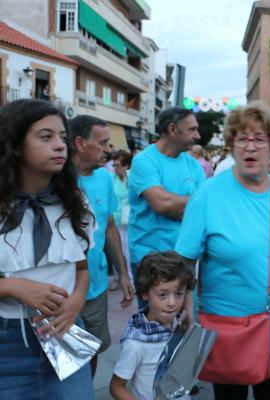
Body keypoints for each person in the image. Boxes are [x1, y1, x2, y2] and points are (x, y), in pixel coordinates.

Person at [175, 100, 270, 400]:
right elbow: (184, 262)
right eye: (242, 138)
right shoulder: (208, 195)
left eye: (259, 139)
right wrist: (187, 312)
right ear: (231, 145)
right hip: (229, 333)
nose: (250, 147)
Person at [0, 99, 94, 398]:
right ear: (15, 145)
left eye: (62, 137)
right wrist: (13, 287)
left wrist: (77, 301)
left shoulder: (75, 201)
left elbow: (81, 268)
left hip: (65, 335)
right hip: (7, 344)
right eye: (46, 137)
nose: (60, 145)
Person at [70, 115, 135, 375]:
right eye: (103, 143)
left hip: (96, 288)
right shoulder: (55, 180)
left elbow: (109, 227)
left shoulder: (105, 179)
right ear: (80, 143)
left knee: (93, 351)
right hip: (61, 291)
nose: (109, 150)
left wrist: (122, 273)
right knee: (64, 359)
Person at [128, 107, 205, 310]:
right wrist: (194, 204)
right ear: (172, 129)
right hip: (150, 258)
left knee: (183, 324)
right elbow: (161, 203)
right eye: (192, 129)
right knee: (153, 327)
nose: (197, 136)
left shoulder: (193, 165)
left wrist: (180, 205)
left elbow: (205, 212)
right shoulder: (144, 160)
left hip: (184, 258)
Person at [110, 251, 195, 400]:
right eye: (163, 295)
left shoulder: (179, 325)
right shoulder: (136, 343)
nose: (172, 303)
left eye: (179, 294)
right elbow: (116, 387)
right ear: (145, 294)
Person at [112, 150, 133, 281]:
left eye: (118, 165)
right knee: (115, 251)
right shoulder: (110, 179)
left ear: (126, 166)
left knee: (128, 253)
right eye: (113, 165)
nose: (115, 168)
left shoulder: (131, 178)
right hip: (114, 221)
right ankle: (117, 277)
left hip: (129, 221)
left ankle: (131, 280)